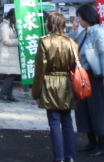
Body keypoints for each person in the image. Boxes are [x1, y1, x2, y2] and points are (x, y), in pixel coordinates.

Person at [32, 11, 76, 162]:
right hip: (67, 83)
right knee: (67, 121)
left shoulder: (44, 41)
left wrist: (36, 92)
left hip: (50, 82)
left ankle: (59, 157)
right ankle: (69, 156)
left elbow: (39, 70)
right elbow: (76, 66)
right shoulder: (71, 42)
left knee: (54, 122)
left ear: (50, 24)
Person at [69, 3, 104, 157]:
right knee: (83, 110)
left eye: (80, 18)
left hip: (95, 76)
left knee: (96, 110)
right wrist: (73, 29)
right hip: (83, 76)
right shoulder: (85, 32)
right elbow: (71, 44)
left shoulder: (99, 32)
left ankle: (101, 145)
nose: (78, 20)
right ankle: (92, 142)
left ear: (87, 17)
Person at [0, 8, 21, 102]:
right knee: (12, 74)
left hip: (11, 54)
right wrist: (19, 41)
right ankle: (3, 93)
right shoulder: (5, 26)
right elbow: (5, 40)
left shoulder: (11, 25)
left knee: (12, 74)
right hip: (7, 53)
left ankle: (9, 94)